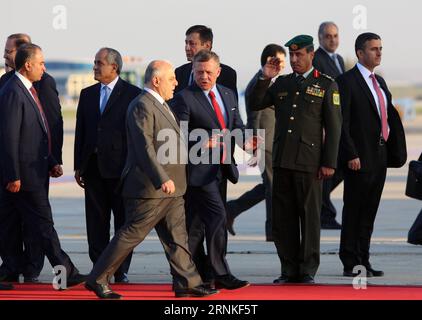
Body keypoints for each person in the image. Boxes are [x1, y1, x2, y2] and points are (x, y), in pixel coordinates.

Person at [84, 60, 218, 299]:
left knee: (178, 238)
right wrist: (161, 178)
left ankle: (187, 281)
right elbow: (143, 147)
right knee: (131, 234)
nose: (176, 83)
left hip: (174, 188)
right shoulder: (142, 105)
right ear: (156, 81)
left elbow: (170, 144)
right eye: (171, 79)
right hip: (151, 188)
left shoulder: (163, 105)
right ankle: (97, 278)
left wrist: (198, 145)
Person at [248, 35, 342, 284]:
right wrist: (264, 76)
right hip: (282, 160)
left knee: (309, 218)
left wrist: (329, 162)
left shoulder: (326, 85)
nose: (294, 59)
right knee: (284, 219)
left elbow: (334, 128)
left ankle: (307, 269)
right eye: (291, 55)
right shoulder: (282, 83)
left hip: (309, 162)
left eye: (299, 55)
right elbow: (255, 102)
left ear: (312, 55)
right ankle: (288, 269)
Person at [0, 43, 86, 287]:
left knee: (16, 225)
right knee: (44, 226)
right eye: (41, 63)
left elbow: (33, 135)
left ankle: (11, 270)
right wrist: (13, 175)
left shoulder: (26, 89)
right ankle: (65, 272)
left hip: (32, 171)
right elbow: (9, 137)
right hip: (25, 177)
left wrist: (50, 161)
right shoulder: (14, 92)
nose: (43, 68)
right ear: (28, 65)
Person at [171, 50, 251, 290]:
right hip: (198, 171)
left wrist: (247, 141)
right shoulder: (184, 97)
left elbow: (237, 125)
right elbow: (178, 136)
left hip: (221, 169)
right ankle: (220, 272)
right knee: (217, 217)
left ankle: (188, 277)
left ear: (218, 72)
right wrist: (202, 142)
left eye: (208, 72)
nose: (203, 76)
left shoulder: (227, 93)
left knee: (195, 226)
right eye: (198, 72)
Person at [337, 32, 406, 277]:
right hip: (358, 158)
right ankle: (350, 261)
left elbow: (387, 117)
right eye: (374, 49)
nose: (379, 53)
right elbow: (341, 123)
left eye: (380, 48)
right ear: (360, 53)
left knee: (369, 212)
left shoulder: (380, 82)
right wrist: (350, 154)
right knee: (354, 210)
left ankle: (363, 260)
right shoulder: (346, 81)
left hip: (379, 156)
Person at [74, 48, 141, 283]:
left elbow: (137, 135)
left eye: (99, 63)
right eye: (94, 62)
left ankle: (120, 270)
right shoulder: (87, 94)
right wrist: (78, 165)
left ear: (114, 67)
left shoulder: (133, 94)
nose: (95, 66)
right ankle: (99, 269)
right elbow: (81, 132)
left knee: (123, 223)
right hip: (92, 170)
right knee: (95, 224)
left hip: (121, 171)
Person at [226, 44, 286, 240]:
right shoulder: (260, 82)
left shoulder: (273, 81)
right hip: (264, 143)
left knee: (269, 186)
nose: (283, 65)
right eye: (279, 61)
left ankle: (231, 209)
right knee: (272, 188)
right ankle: (273, 232)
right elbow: (254, 115)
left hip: (273, 143)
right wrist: (255, 145)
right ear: (268, 61)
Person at [313, 22, 345, 230]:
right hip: (325, 123)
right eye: (327, 36)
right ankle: (325, 213)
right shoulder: (317, 59)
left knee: (339, 168)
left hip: (339, 120)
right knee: (329, 168)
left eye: (335, 36)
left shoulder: (339, 59)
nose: (332, 40)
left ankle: (321, 205)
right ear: (320, 38)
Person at [174, 25, 237, 97]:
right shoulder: (179, 72)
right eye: (186, 43)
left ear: (207, 45)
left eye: (192, 44)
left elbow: (231, 105)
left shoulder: (227, 74)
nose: (187, 48)